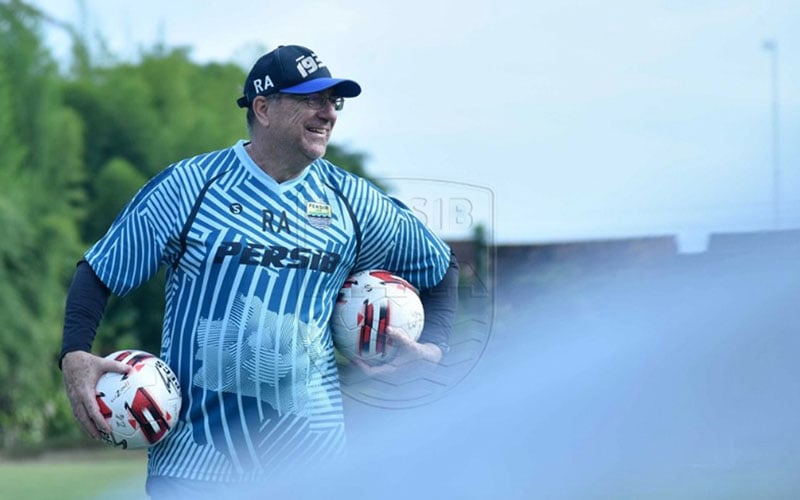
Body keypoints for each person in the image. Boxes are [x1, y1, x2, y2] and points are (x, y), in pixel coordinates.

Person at [60, 44, 458, 498]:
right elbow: (100, 270)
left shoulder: (351, 200)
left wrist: (436, 346)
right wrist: (75, 354)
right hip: (194, 468)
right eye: (312, 99)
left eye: (335, 102)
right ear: (264, 109)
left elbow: (440, 267)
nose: (328, 112)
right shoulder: (190, 186)